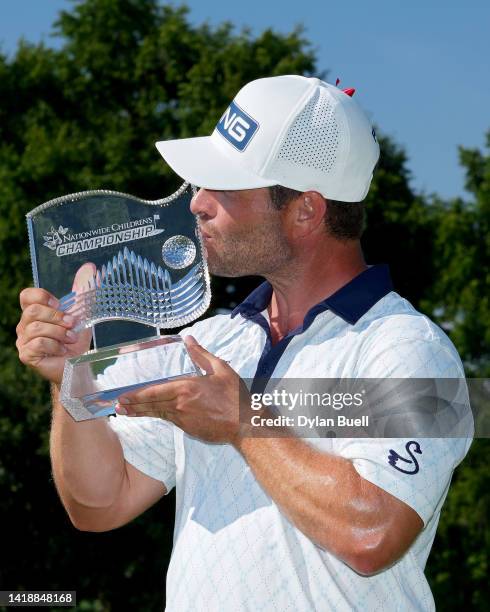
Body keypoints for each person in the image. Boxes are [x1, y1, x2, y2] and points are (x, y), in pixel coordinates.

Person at [16, 75, 472, 611]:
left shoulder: (410, 348)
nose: (197, 205)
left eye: (223, 187)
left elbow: (373, 534)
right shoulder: (208, 341)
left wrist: (240, 420)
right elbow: (100, 503)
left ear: (306, 209)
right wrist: (76, 378)